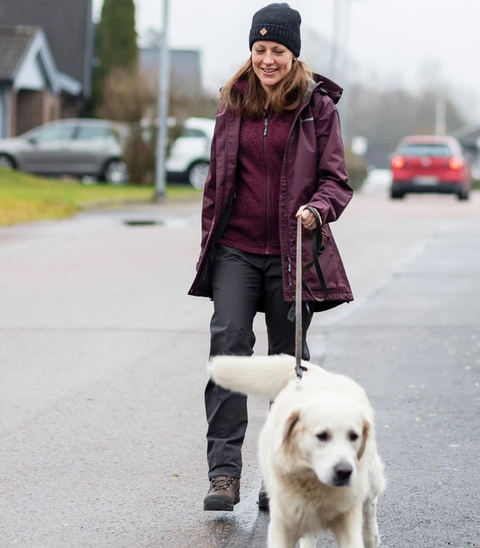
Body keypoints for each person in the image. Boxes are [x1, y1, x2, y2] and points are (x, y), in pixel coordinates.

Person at [188, 2, 353, 512]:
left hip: (293, 253)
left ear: (293, 54)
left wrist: (317, 209)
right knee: (229, 353)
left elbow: (336, 181)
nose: (266, 59)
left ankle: (278, 476)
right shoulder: (232, 102)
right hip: (236, 250)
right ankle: (223, 474)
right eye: (259, 49)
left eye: (277, 50)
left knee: (288, 370)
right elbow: (216, 185)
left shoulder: (317, 107)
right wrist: (209, 249)